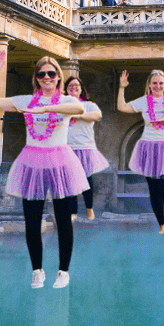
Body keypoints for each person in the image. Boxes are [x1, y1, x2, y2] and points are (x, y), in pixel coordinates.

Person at [0, 53, 87, 289]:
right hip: (32, 161)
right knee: (31, 220)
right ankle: (37, 270)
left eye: (51, 73)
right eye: (42, 74)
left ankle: (63, 271)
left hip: (60, 161)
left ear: (59, 77)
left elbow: (79, 108)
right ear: (36, 78)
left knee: (63, 219)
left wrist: (46, 108)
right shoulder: (25, 101)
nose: (47, 77)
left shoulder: (67, 102)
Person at [118, 69, 164, 234]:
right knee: (154, 190)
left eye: (161, 83)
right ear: (149, 85)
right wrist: (122, 87)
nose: (158, 86)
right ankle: (162, 224)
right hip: (149, 147)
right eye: (154, 83)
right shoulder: (144, 101)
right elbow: (121, 107)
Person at [64, 76, 109, 220]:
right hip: (67, 148)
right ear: (66, 90)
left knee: (86, 180)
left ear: (81, 89)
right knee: (70, 181)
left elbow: (97, 116)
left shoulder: (89, 105)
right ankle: (73, 212)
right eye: (70, 86)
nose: (74, 88)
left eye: (76, 85)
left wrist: (77, 113)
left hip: (85, 148)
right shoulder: (62, 105)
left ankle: (89, 208)